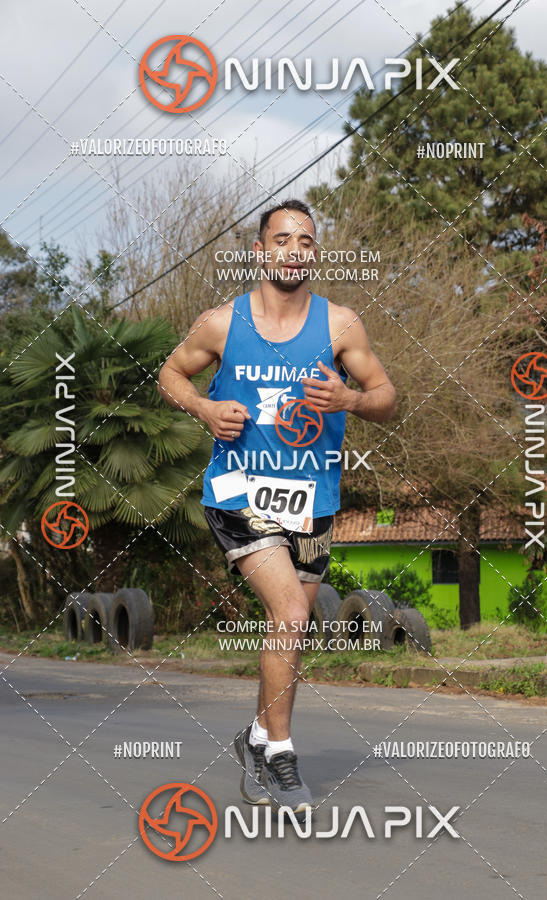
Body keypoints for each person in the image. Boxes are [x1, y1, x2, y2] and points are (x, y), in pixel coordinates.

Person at [158, 199, 396, 814]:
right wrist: (205, 408)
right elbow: (170, 374)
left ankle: (257, 739)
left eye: (306, 242)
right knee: (290, 610)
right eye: (283, 239)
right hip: (238, 491)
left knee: (290, 624)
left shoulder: (341, 325)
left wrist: (348, 399)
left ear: (315, 253)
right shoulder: (221, 323)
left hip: (312, 499)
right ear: (260, 251)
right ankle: (282, 758)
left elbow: (387, 397)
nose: (294, 251)